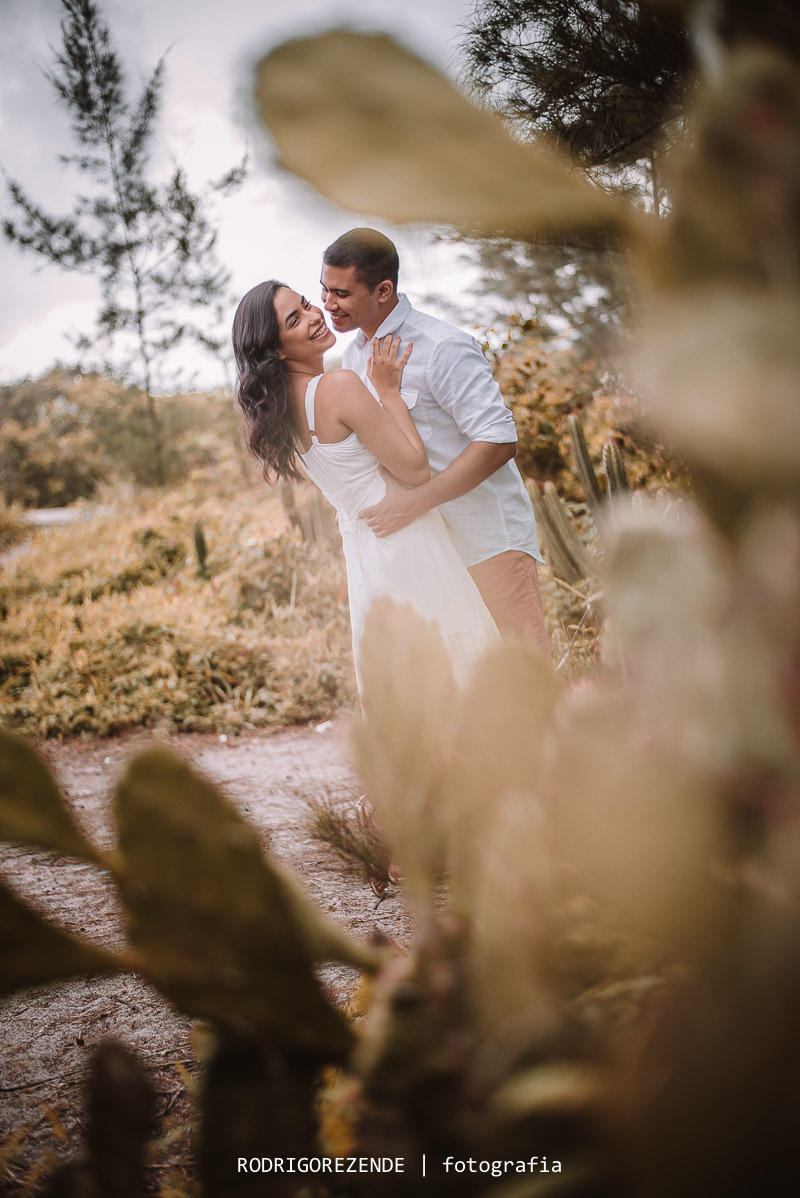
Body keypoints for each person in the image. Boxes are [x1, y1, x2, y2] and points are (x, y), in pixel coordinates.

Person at [231, 280, 499, 697]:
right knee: (461, 677)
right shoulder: (337, 387)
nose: (315, 316)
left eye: (306, 304)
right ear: (278, 349)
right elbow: (414, 469)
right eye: (295, 319)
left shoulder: (285, 414)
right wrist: (389, 391)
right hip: (407, 542)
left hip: (366, 557)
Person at [321, 228, 551, 658]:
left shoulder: (443, 346)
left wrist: (416, 502)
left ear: (383, 289)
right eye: (323, 289)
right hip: (425, 549)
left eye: (341, 293)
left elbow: (499, 440)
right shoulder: (353, 357)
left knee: (525, 667)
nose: (327, 304)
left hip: (484, 538)